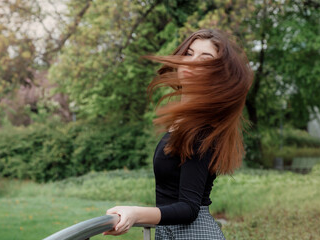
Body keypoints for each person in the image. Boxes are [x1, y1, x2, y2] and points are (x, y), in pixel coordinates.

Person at [103, 29, 253, 239]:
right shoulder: (185, 122)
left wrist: (135, 213)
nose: (192, 62)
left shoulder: (201, 128)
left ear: (218, 74)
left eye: (205, 59)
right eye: (189, 54)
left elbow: (189, 208)